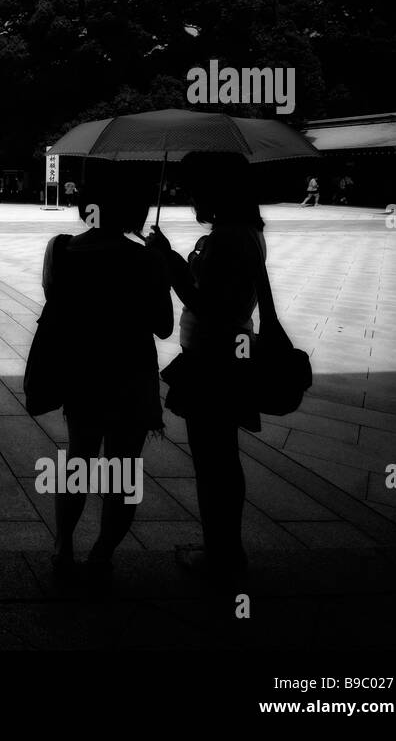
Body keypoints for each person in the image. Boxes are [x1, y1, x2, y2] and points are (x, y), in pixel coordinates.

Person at [42, 162, 172, 590]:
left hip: (84, 370)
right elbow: (163, 326)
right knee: (123, 466)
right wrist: (160, 264)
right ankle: (101, 554)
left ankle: (63, 549)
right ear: (134, 212)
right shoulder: (146, 261)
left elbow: (56, 304)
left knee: (79, 457)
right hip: (131, 374)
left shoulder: (62, 250)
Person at [147, 152, 267, 585]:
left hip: (216, 357)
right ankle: (224, 548)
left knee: (213, 459)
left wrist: (171, 265)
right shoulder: (244, 233)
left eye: (198, 187)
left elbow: (207, 304)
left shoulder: (228, 240)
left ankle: (221, 555)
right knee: (221, 457)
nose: (192, 195)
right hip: (228, 350)